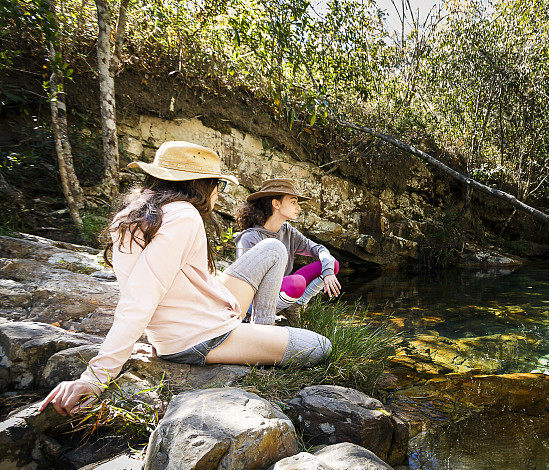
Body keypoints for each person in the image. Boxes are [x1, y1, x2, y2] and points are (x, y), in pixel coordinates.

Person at [40, 141, 331, 416]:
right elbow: (139, 298)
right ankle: (261, 339)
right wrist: (94, 377)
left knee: (273, 248)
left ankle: (261, 331)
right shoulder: (183, 216)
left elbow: (176, 278)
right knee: (319, 346)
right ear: (200, 185)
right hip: (199, 337)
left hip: (194, 321)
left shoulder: (135, 213)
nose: (218, 192)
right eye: (217, 184)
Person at [233, 178, 341, 325]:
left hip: (282, 291)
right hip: (256, 302)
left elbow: (319, 249)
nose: (298, 207)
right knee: (295, 283)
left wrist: (328, 272)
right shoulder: (249, 238)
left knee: (332, 264)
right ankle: (282, 309)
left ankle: (296, 305)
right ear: (276, 204)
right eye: (293, 202)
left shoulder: (288, 231)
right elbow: (243, 286)